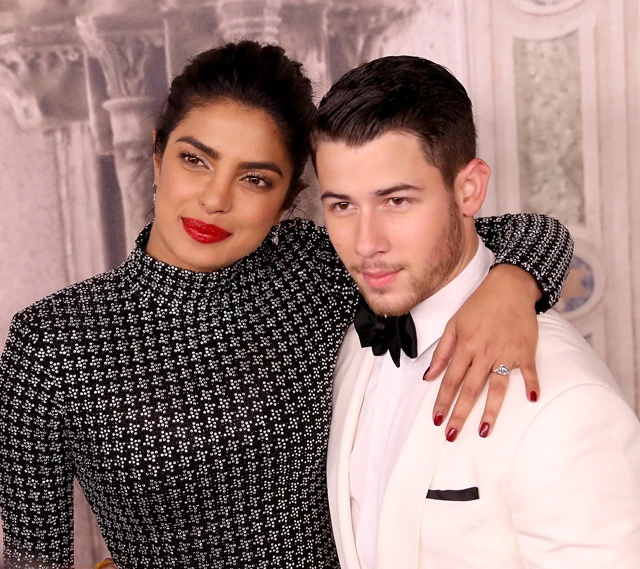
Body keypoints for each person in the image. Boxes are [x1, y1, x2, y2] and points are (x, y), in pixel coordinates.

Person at [0, 41, 573, 569]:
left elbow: (534, 232)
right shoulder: (51, 340)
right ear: (157, 154)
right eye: (195, 160)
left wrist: (509, 286)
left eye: (254, 179)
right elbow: (33, 557)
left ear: (287, 199)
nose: (215, 198)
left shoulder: (315, 268)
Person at [318, 55, 640, 569]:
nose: (365, 243)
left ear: (468, 189)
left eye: (397, 201)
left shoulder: (565, 400)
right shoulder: (355, 339)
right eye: (342, 206)